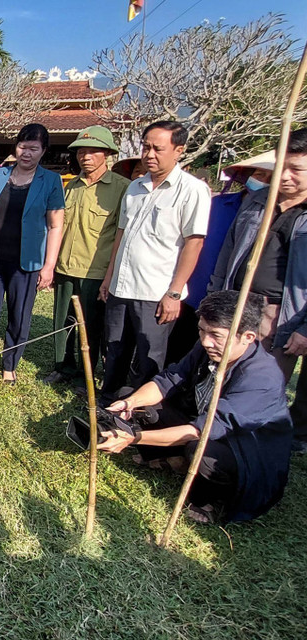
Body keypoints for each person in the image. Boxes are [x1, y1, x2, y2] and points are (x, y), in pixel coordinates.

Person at [98, 291, 292, 524]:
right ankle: (173, 459)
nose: (205, 341)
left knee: (201, 452)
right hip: (199, 421)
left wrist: (133, 437)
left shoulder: (262, 377)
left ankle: (210, 498)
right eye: (202, 330)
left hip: (243, 451)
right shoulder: (206, 348)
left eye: (216, 335)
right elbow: (168, 380)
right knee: (133, 400)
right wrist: (129, 403)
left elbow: (204, 429)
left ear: (248, 336)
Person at [209, 129, 307, 451]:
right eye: (282, 167)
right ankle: (213, 437)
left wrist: (305, 328)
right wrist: (217, 294)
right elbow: (229, 250)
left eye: (297, 170)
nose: (286, 177)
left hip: (280, 313)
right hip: (237, 300)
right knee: (223, 371)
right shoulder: (257, 200)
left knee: (263, 383)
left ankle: (251, 448)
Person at [99, 121, 211, 398]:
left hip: (156, 292)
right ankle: (106, 401)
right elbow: (121, 237)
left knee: (150, 357)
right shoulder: (135, 187)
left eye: (157, 148)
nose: (149, 154)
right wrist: (109, 277)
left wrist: (174, 293)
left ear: (179, 150)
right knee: (114, 349)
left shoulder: (192, 190)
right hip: (121, 287)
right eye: (145, 147)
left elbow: (193, 244)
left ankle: (139, 411)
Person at [0, 123, 66, 383]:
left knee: (19, 316)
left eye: (34, 148)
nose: (27, 153)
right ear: (15, 147)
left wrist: (49, 265)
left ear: (43, 151)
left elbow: (55, 225)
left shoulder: (51, 181)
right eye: (22, 147)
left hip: (26, 263)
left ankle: (10, 363)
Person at [167, 150, 275, 365]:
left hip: (230, 299)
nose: (263, 181)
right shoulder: (217, 205)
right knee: (179, 354)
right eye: (260, 174)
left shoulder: (273, 216)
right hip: (194, 292)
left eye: (271, 178)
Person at [45, 126, 129, 385]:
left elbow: (121, 235)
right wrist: (51, 265)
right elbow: (59, 226)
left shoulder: (122, 188)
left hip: (96, 270)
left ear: (107, 154)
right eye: (81, 152)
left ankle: (87, 376)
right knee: (62, 324)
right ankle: (63, 367)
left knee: (91, 327)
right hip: (65, 267)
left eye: (92, 151)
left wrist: (110, 275)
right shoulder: (71, 186)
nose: (85, 157)